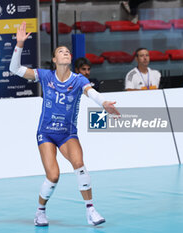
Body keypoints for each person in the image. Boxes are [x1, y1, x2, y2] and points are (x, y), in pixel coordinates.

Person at [9, 22, 120, 227]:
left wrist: (103, 102)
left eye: (68, 51)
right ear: (54, 59)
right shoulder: (45, 75)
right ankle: (40, 211)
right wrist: (20, 44)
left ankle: (91, 210)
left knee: (79, 164)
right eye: (61, 51)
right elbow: (14, 69)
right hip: (46, 134)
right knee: (53, 176)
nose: (66, 53)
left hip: (68, 133)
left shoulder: (78, 80)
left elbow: (90, 92)